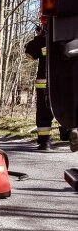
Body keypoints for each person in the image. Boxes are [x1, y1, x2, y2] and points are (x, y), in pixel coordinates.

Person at [24, 18, 70, 150]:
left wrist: (38, 37)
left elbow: (29, 54)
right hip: (64, 83)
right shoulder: (67, 38)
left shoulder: (42, 39)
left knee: (44, 113)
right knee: (66, 108)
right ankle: (68, 134)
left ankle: (45, 142)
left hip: (44, 85)